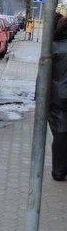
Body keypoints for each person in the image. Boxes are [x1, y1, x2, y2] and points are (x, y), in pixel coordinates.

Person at [49, 15, 67, 181]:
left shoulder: (53, 46)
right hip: (60, 96)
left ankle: (59, 171)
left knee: (61, 132)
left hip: (57, 97)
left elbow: (44, 76)